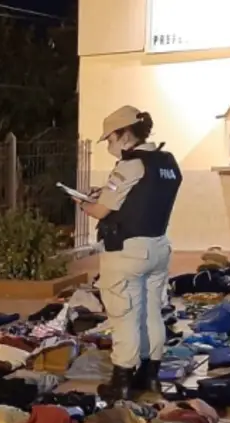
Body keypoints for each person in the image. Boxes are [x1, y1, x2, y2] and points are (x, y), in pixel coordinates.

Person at [74, 105, 183, 401]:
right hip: (158, 247)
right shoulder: (167, 161)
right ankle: (150, 377)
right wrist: (103, 194)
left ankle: (121, 382)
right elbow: (139, 195)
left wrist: (83, 203)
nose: (109, 145)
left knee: (124, 316)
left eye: (110, 139)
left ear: (124, 134)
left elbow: (101, 210)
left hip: (127, 252)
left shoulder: (129, 165)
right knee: (151, 314)